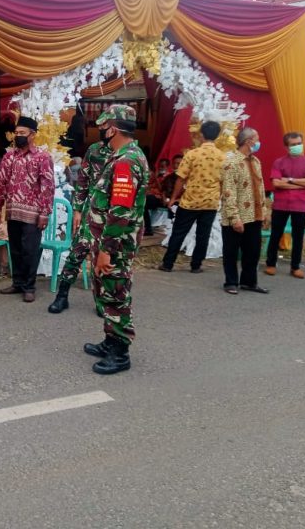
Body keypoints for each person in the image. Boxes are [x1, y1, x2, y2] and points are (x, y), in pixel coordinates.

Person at [83, 104, 149, 375]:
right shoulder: (121, 156)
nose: (102, 131)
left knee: (116, 295)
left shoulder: (126, 161)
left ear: (114, 128)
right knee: (107, 292)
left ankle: (120, 353)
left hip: (116, 245)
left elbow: (120, 210)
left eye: (104, 126)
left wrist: (106, 250)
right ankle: (111, 341)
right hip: (109, 243)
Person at [48, 131, 112, 314]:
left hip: (111, 218)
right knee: (75, 256)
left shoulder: (126, 154)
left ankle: (102, 301)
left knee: (104, 260)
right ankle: (62, 297)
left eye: (107, 126)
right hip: (90, 216)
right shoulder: (94, 150)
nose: (104, 130)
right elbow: (82, 180)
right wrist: (76, 210)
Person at [0, 116, 55, 303]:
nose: (18, 136)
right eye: (17, 133)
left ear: (32, 135)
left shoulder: (42, 157)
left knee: (30, 249)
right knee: (16, 249)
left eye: (22, 133)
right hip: (13, 211)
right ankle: (18, 283)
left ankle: (29, 286)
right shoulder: (9, 156)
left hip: (33, 213)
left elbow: (48, 186)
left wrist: (45, 212)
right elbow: (1, 182)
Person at [158, 121, 225, 273]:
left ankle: (168, 264)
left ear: (201, 134)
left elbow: (181, 178)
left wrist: (174, 197)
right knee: (203, 234)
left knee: (179, 232)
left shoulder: (192, 154)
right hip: (210, 202)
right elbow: (224, 181)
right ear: (218, 135)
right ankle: (196, 265)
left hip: (190, 201)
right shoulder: (222, 157)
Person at [219, 128, 268, 295]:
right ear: (249, 141)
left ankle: (249, 281)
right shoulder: (230, 162)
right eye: (257, 139)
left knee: (253, 251)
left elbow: (261, 188)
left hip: (254, 215)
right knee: (231, 251)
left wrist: (264, 211)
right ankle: (230, 282)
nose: (258, 143)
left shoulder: (256, 162)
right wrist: (234, 218)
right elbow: (228, 192)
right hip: (237, 216)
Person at [264, 132, 305, 279]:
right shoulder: (279, 162)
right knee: (276, 235)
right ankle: (271, 263)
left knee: (298, 236)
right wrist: (302, 184)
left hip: (300, 205)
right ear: (286, 147)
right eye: (293, 145)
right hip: (280, 204)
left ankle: (295, 266)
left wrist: (290, 180)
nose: (297, 146)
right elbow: (276, 183)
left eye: (299, 143)